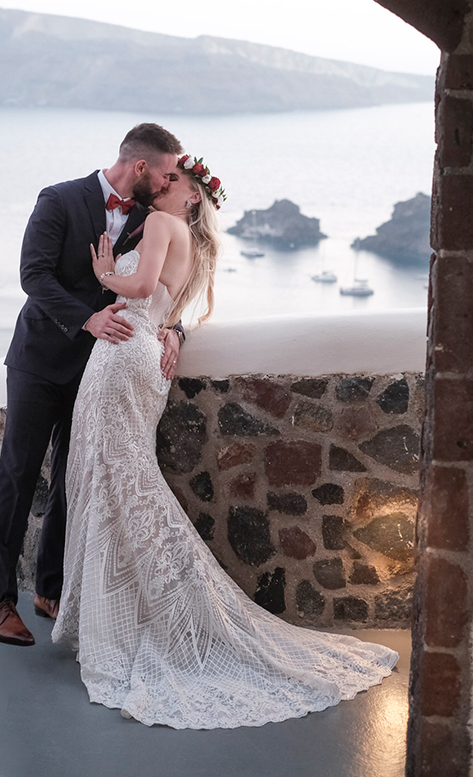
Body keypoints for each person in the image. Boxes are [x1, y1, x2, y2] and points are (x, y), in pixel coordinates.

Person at [52, 155, 399, 729]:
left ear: (189, 197)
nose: (163, 184)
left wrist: (104, 273)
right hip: (144, 361)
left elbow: (138, 286)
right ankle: (121, 611)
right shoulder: (189, 241)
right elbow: (169, 302)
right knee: (125, 481)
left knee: (110, 479)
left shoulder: (161, 225)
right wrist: (154, 313)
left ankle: (139, 617)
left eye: (175, 181)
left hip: (120, 355)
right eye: (166, 178)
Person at [0, 123, 184, 646]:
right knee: (19, 474)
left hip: (102, 371)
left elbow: (161, 286)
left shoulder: (152, 218)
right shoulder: (60, 198)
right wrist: (88, 319)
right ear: (140, 167)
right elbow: (34, 275)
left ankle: (50, 590)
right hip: (39, 360)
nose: (167, 184)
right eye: (164, 173)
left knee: (77, 478)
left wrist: (176, 330)